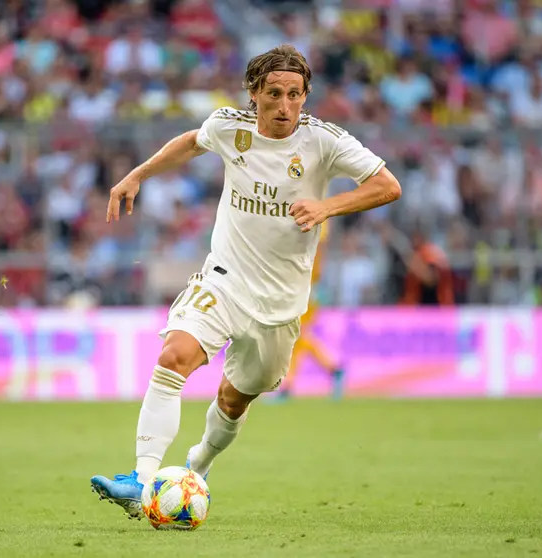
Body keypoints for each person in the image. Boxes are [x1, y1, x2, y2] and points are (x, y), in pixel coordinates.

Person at [90, 44, 401, 519]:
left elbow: (388, 185)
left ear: (305, 95)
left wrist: (326, 206)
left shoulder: (324, 142)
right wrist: (140, 173)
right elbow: (193, 141)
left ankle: (199, 462)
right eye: (274, 93)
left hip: (281, 301)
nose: (284, 106)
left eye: (295, 95)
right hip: (225, 278)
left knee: (233, 400)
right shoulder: (229, 127)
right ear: (253, 94)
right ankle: (142, 477)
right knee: (174, 354)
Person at [274, 220, 345, 401]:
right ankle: (333, 369)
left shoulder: (317, 216)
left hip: (307, 287)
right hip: (303, 285)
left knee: (297, 336)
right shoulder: (316, 216)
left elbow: (318, 247)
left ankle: (288, 385)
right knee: (298, 336)